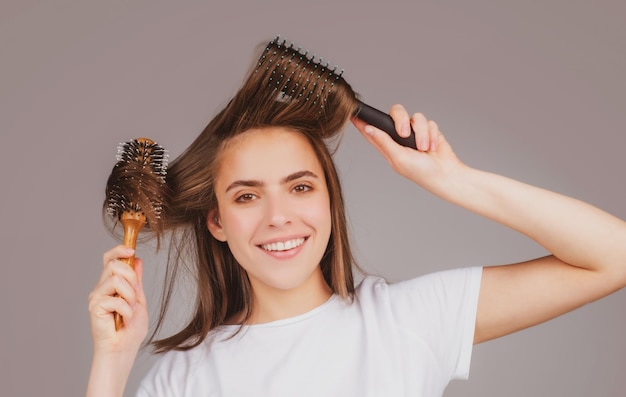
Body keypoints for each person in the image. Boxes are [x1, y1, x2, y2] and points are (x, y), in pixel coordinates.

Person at [86, 39, 626, 397]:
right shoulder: (184, 379)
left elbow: (613, 256)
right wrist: (112, 362)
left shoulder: (405, 322)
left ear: (329, 202)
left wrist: (454, 180)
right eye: (248, 196)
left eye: (300, 187)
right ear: (217, 221)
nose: (279, 217)